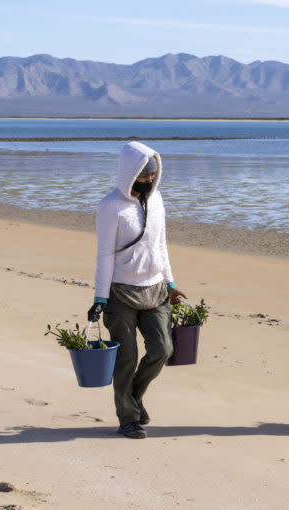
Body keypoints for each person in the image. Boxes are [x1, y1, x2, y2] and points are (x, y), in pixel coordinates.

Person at [87, 141, 186, 439]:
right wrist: (100, 297)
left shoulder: (157, 201)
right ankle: (127, 418)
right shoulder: (110, 206)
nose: (148, 180)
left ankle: (133, 396)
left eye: (152, 175)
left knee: (162, 349)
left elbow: (161, 245)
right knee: (126, 356)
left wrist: (170, 283)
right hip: (120, 293)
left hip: (155, 289)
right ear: (129, 173)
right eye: (143, 175)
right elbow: (104, 254)